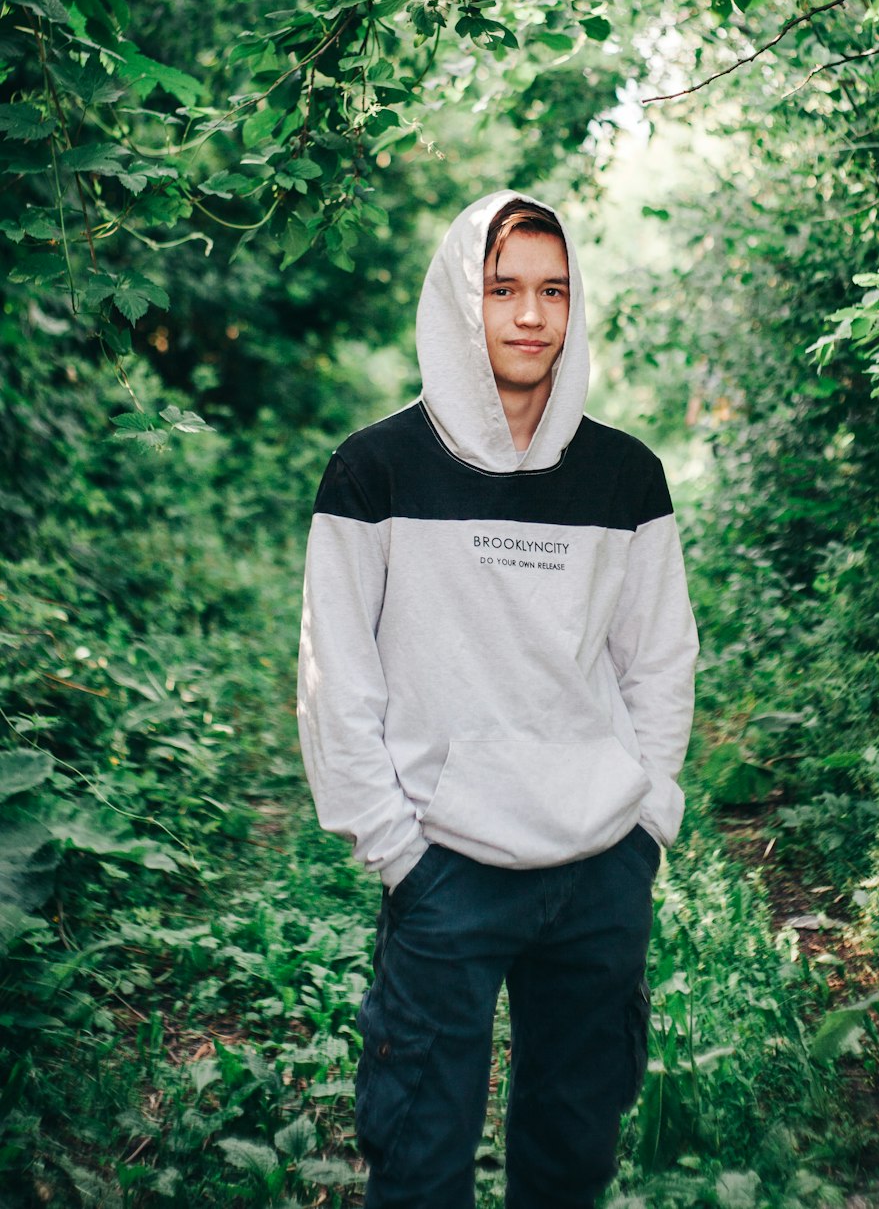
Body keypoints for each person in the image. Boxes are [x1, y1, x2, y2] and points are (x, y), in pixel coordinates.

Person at [297, 190, 698, 1209]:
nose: (530, 315)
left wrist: (646, 823)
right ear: (456, 300)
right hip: (447, 873)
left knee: (569, 1161)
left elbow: (657, 662)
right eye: (503, 288)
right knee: (420, 1160)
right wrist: (395, 849)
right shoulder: (373, 469)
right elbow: (336, 680)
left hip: (598, 876)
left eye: (553, 290)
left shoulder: (624, 476)